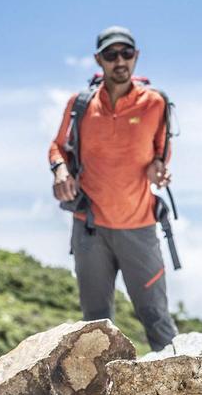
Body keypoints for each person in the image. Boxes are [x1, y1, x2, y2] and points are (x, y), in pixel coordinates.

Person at [49, 26, 178, 351]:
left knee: (156, 319)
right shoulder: (80, 104)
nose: (119, 61)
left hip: (140, 228)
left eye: (126, 53)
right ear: (99, 60)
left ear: (136, 57)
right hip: (90, 229)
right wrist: (60, 170)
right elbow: (57, 147)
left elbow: (160, 158)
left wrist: (158, 171)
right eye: (111, 54)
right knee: (94, 324)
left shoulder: (156, 104)